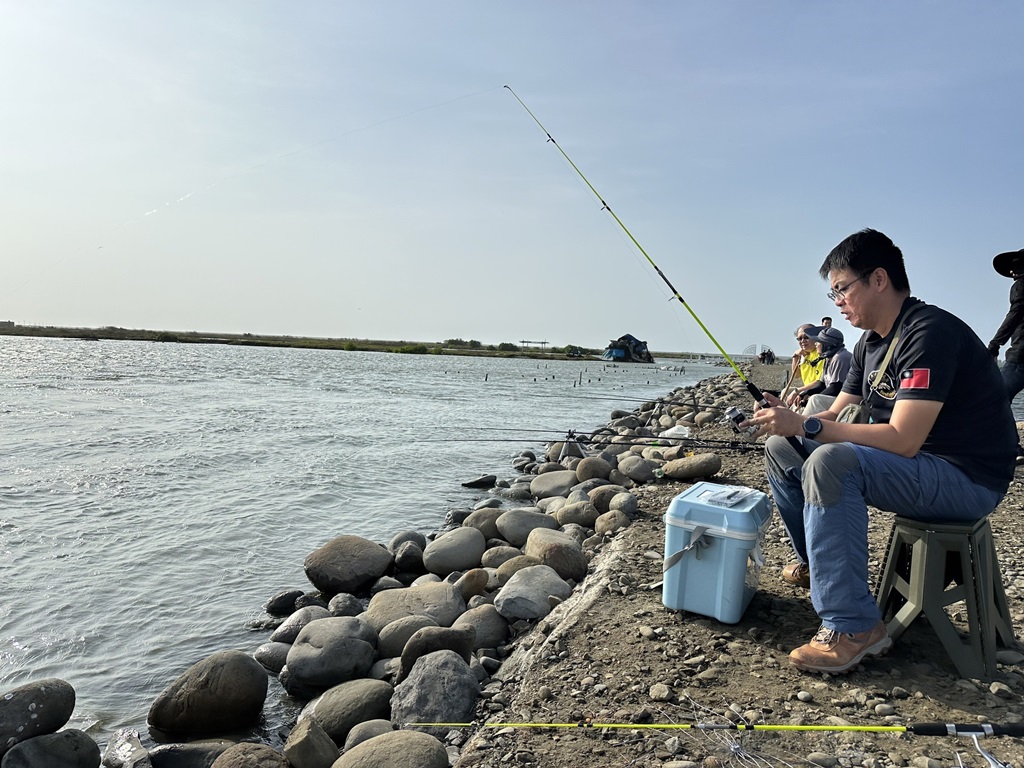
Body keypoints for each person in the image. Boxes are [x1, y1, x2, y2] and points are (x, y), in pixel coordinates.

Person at [744, 228, 1016, 674]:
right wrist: (787, 419)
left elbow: (904, 439)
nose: (837, 302)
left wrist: (808, 425)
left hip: (967, 478)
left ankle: (854, 626)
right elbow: (835, 416)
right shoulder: (869, 343)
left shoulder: (929, 332)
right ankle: (819, 568)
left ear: (879, 279)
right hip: (917, 467)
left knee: (833, 463)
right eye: (832, 293)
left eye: (841, 289)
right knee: (782, 448)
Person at [987, 247, 1024, 463]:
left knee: (997, 395)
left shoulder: (1020, 285)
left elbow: (1016, 313)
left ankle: (1012, 447)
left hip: (1021, 354)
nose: (1011, 272)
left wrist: (994, 344)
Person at [788, 325, 853, 414]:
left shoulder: (840, 358)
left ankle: (801, 426)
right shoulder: (828, 358)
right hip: (835, 395)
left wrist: (810, 397)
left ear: (827, 344)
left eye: (818, 342)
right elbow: (822, 384)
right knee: (803, 399)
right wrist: (804, 394)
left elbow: (835, 387)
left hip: (845, 399)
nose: (816, 344)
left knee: (815, 399)